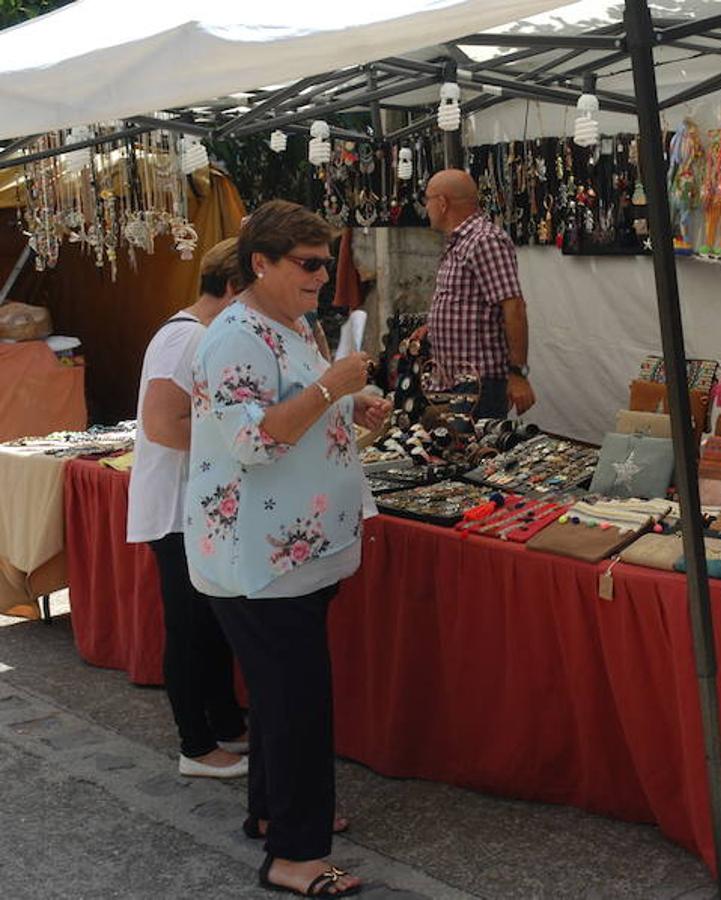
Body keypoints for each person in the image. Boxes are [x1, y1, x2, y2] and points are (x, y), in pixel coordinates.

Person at [186, 199, 391, 898]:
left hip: (296, 548)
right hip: (261, 557)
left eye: (324, 264)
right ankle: (296, 857)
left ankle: (274, 813)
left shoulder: (295, 322)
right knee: (299, 702)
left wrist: (348, 404)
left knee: (282, 697)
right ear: (260, 264)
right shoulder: (233, 338)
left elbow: (293, 401)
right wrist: (333, 385)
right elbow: (254, 438)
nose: (322, 277)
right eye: (308, 264)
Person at [127, 238, 249, 780]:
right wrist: (240, 442)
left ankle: (224, 725)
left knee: (212, 624)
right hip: (179, 508)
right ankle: (195, 745)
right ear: (232, 288)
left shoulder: (200, 333)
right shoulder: (188, 337)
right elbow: (162, 424)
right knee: (191, 628)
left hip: (196, 505)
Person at [421, 168, 535, 419]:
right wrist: (431, 327)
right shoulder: (460, 242)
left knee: (475, 443)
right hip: (454, 381)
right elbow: (468, 303)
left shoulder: (484, 241)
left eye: (427, 199)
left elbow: (513, 307)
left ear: (442, 203)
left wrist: (517, 373)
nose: (425, 207)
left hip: (479, 383)